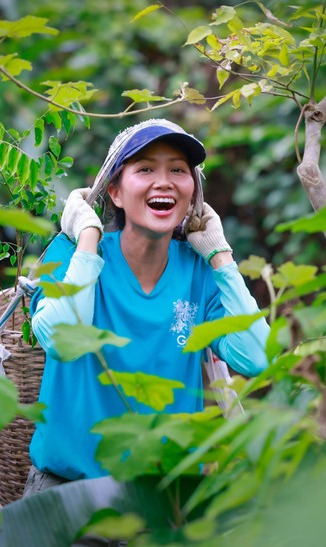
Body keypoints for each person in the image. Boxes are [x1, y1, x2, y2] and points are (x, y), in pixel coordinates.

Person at [23, 119, 270, 494]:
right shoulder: (69, 255)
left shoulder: (200, 272)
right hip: (66, 492)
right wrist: (88, 237)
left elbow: (258, 358)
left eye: (177, 170)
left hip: (166, 499)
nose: (164, 181)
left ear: (192, 193)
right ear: (116, 192)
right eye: (145, 169)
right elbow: (62, 340)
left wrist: (220, 255)